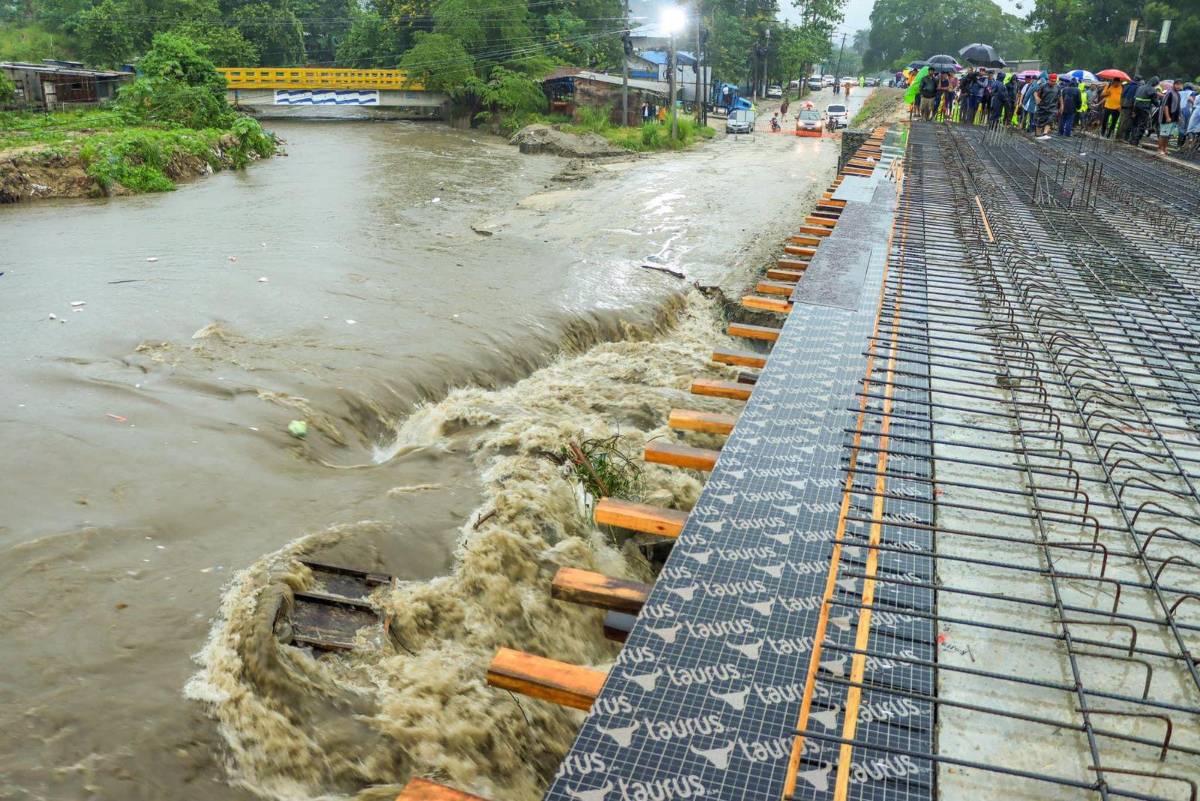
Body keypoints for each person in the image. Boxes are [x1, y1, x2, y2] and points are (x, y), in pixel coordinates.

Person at [1131, 75, 1159, 146]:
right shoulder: (1152, 89)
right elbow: (1155, 102)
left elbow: (1134, 98)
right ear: (1155, 83)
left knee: (1135, 124)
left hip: (1136, 107)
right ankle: (1136, 141)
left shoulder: (1141, 87)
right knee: (1142, 125)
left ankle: (1131, 139)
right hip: (1144, 109)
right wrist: (1159, 104)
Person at [1157, 79, 1182, 155]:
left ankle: (1164, 149)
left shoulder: (1178, 94)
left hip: (1174, 118)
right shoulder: (1169, 93)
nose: (1178, 86)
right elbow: (1166, 106)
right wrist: (1167, 117)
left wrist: (1178, 116)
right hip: (1167, 118)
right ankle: (1159, 149)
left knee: (1168, 135)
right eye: (1177, 84)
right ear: (1174, 85)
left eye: (1180, 85)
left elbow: (1178, 106)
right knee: (1163, 134)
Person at [1035, 73, 1062, 138]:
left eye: (1054, 81)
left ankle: (1045, 134)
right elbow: (1036, 93)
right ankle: (1038, 135)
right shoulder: (1043, 86)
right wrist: (1037, 98)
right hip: (1042, 107)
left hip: (1052, 107)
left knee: (1050, 120)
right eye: (1052, 81)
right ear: (1049, 80)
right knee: (1040, 122)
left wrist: (1062, 105)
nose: (1053, 82)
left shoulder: (1057, 87)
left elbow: (1060, 97)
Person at [1118, 75, 1141, 141]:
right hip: (1129, 107)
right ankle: (1121, 137)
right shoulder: (1137, 87)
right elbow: (1135, 99)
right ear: (1138, 81)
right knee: (1126, 123)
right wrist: (1134, 110)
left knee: (1121, 121)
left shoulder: (1127, 85)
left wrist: (1121, 104)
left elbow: (1122, 95)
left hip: (1122, 105)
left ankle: (1118, 136)